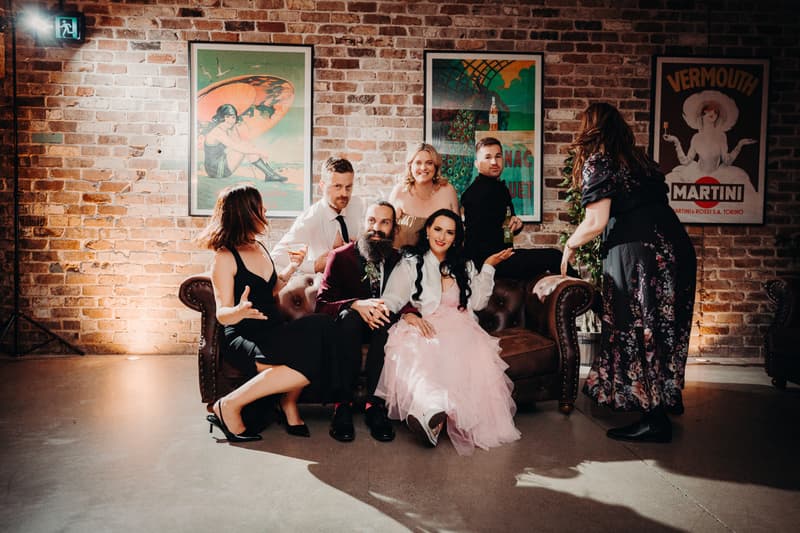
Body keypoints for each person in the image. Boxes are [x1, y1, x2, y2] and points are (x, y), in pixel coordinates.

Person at [561, 102, 697, 443]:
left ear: (590, 129)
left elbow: (596, 221)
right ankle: (667, 395)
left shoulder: (600, 162)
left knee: (640, 329)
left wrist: (569, 246)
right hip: (676, 248)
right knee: (667, 326)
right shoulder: (641, 160)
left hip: (639, 257)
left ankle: (654, 419)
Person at [196, 183, 340, 442]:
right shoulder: (225, 258)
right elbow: (223, 314)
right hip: (245, 336)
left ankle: (283, 403)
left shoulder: (259, 247)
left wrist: (293, 268)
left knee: (324, 327)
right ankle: (229, 405)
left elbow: (271, 290)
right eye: (260, 207)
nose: (265, 210)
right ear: (244, 213)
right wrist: (239, 310)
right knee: (308, 359)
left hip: (273, 330)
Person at [375, 209, 521, 455]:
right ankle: (430, 411)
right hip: (424, 323)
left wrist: (488, 267)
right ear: (428, 230)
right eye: (438, 229)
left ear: (456, 238)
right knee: (421, 350)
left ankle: (434, 416)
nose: (442, 236)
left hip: (460, 324)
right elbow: (391, 300)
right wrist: (407, 315)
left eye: (450, 232)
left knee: (465, 351)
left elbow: (477, 304)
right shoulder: (411, 262)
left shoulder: (465, 265)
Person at [315, 201, 415, 443]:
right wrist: (356, 304)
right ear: (363, 223)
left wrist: (411, 312)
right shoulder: (340, 257)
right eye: (371, 221)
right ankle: (343, 406)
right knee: (349, 317)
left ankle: (375, 406)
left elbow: (407, 296)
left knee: (386, 318)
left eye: (384, 222)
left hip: (382, 327)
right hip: (349, 329)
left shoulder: (399, 259)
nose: (376, 228)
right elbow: (321, 304)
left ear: (394, 229)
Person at [461, 137, 570, 279]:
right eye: (487, 157)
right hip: (490, 262)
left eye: (498, 156)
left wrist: (515, 225)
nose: (494, 162)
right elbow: (476, 240)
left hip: (503, 256)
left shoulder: (500, 189)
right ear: (477, 164)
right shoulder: (474, 193)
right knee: (554, 256)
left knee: (554, 257)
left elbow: (505, 230)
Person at [271, 156, 365, 274]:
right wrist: (313, 266)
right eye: (337, 186)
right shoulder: (310, 218)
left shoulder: (357, 205)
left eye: (348, 187)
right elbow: (277, 255)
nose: (344, 194)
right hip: (324, 286)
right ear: (322, 186)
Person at [662, 90, 757, 190]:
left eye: (716, 112)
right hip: (696, 175)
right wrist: (676, 141)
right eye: (709, 110)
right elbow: (685, 161)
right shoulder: (696, 137)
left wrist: (740, 145)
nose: (713, 113)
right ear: (702, 114)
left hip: (719, 175)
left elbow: (727, 161)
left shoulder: (721, 136)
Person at [388, 143, 459, 248]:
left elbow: (458, 233)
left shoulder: (448, 190)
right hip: (403, 261)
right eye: (418, 163)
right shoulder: (399, 191)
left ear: (435, 166)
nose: (423, 167)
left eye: (429, 163)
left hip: (439, 262)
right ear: (410, 166)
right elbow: (387, 231)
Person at [202, 104, 287, 182]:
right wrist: (259, 152)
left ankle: (269, 174)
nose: (230, 120)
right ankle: (269, 174)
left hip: (220, 163)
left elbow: (238, 143)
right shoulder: (218, 132)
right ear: (221, 117)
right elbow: (236, 147)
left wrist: (234, 131)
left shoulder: (226, 129)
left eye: (233, 117)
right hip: (215, 170)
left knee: (246, 146)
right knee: (245, 147)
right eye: (227, 117)